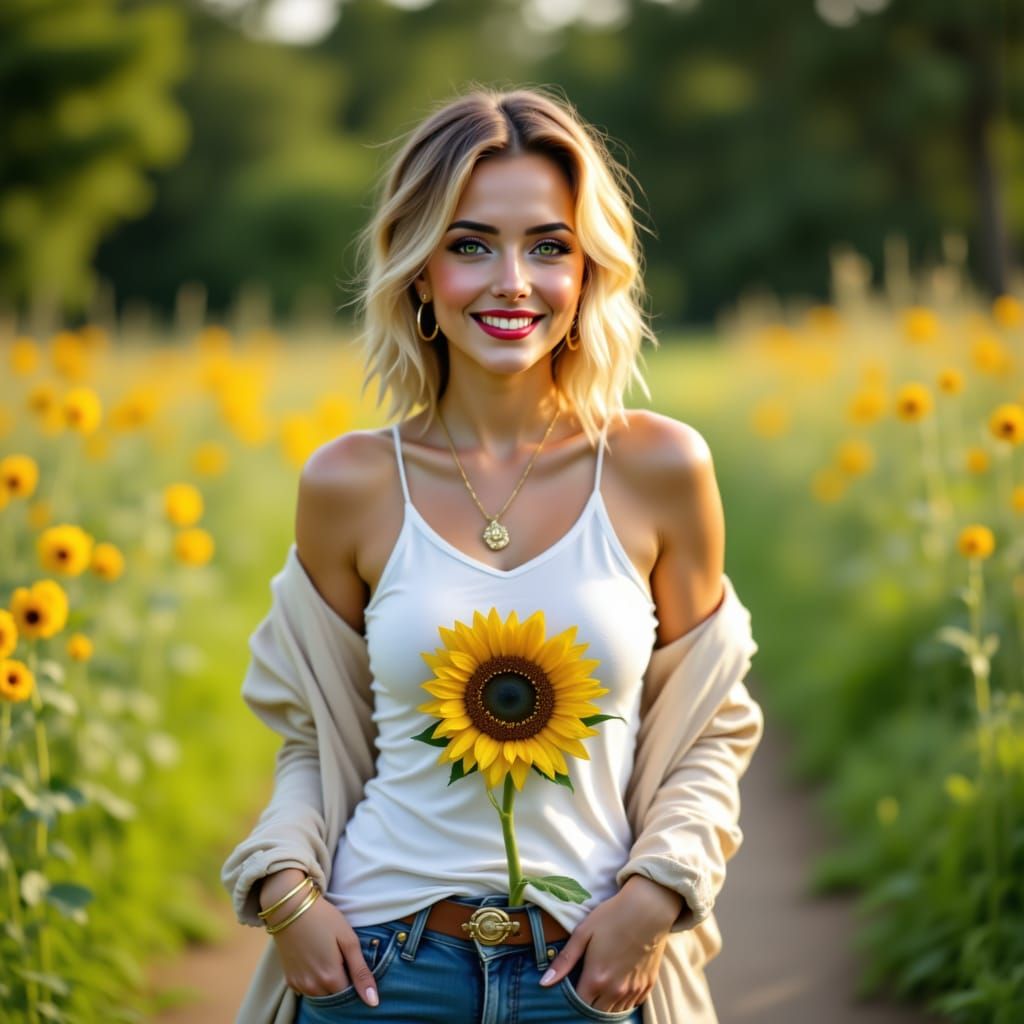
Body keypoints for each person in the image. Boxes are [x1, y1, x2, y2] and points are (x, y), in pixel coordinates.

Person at [222, 85, 764, 1024]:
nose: (513, 280)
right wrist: (286, 889)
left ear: (588, 271)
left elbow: (711, 726)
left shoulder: (660, 467)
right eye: (470, 244)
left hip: (593, 970)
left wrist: (657, 892)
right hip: (379, 967)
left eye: (548, 246)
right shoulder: (348, 483)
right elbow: (313, 734)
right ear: (419, 271)